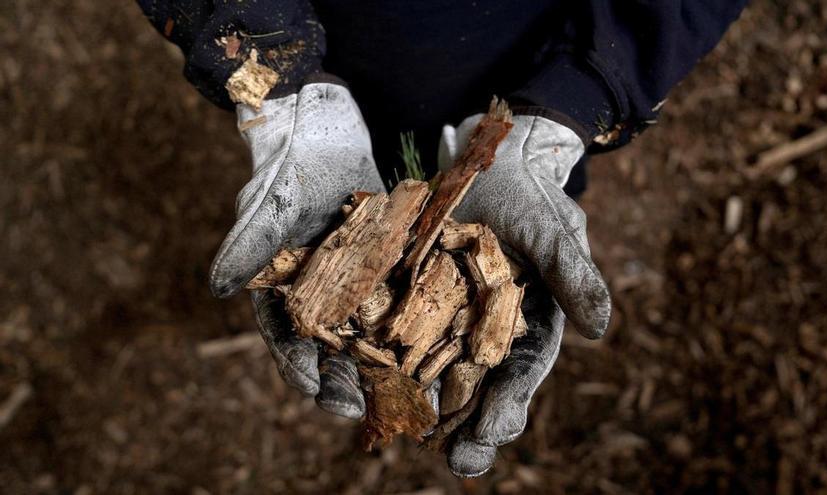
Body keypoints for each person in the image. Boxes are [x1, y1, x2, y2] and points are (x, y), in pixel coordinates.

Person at [136, 0, 748, 477]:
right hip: (328, 30)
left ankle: (517, 163)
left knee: (516, 198)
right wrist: (280, 76)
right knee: (355, 165)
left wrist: (575, 98)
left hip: (531, 45)